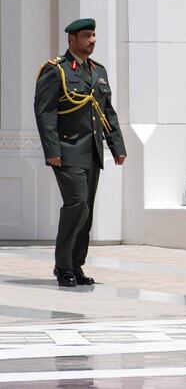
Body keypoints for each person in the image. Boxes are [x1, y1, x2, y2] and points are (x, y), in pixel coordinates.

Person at [34, 18, 127, 287]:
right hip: (67, 150)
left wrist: (116, 146)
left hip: (92, 151)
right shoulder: (57, 70)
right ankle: (62, 266)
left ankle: (76, 265)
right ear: (71, 40)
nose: (92, 40)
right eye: (86, 35)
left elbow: (106, 111)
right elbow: (45, 113)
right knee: (78, 205)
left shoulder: (98, 71)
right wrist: (52, 150)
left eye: (94, 35)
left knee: (87, 211)